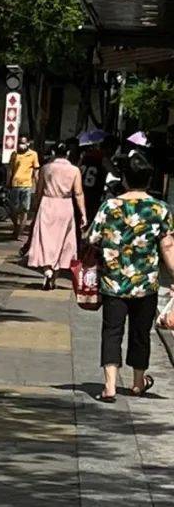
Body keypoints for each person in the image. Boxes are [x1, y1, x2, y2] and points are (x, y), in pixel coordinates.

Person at [86, 152, 174, 403]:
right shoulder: (160, 208)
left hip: (113, 283)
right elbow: (168, 247)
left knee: (112, 331)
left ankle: (110, 386)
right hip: (146, 285)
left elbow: (92, 238)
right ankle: (138, 383)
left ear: (124, 179)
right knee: (140, 332)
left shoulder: (110, 206)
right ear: (149, 179)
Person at [27, 142, 85, 290]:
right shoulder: (74, 170)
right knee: (63, 241)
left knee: (46, 240)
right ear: (67, 154)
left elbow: (39, 190)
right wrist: (83, 213)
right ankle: (55, 275)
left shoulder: (46, 168)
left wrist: (34, 207)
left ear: (54, 153)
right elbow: (78, 193)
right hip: (65, 205)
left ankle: (47, 270)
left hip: (47, 204)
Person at [7, 135, 39, 239]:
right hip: (15, 185)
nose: (21, 144)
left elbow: (36, 171)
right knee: (13, 210)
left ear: (28, 143)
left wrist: (37, 185)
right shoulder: (14, 154)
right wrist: (8, 182)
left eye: (23, 142)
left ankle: (18, 232)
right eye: (20, 142)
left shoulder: (33, 154)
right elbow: (10, 169)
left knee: (24, 210)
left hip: (27, 185)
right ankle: (16, 226)